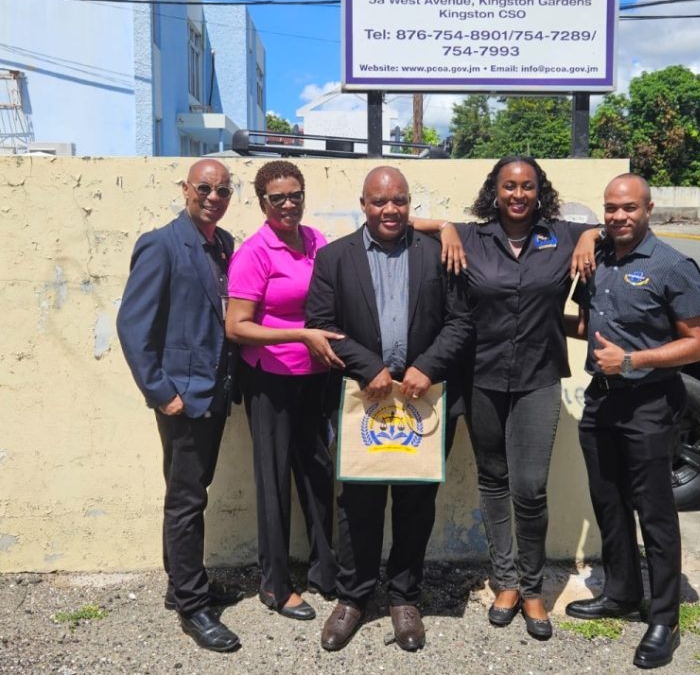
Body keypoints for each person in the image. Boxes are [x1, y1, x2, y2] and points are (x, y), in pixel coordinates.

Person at [411, 154, 600, 640]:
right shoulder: (472, 237)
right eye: (509, 186)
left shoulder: (560, 236)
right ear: (494, 191)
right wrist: (447, 229)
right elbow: (404, 219)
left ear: (541, 191)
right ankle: (507, 581)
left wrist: (589, 236)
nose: (518, 195)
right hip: (480, 377)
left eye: (527, 186)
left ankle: (534, 588)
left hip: (538, 378)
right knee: (493, 480)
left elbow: (609, 224)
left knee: (531, 488)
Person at [305, 166, 473, 652]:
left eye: (398, 201)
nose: (389, 210)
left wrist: (427, 365)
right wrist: (367, 366)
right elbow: (321, 324)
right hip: (365, 401)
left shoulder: (438, 255)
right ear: (363, 204)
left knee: (416, 503)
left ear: (409, 204)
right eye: (379, 202)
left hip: (424, 397)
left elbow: (461, 323)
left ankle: (404, 597)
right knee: (358, 502)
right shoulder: (335, 258)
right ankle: (353, 597)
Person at [566, 174, 700, 670]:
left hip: (649, 403)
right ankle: (622, 592)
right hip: (601, 401)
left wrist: (631, 361)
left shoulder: (672, 265)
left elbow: (699, 343)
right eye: (610, 208)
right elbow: (587, 327)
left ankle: (664, 618)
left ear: (648, 208)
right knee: (608, 502)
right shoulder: (600, 257)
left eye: (628, 208)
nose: (618, 216)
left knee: (654, 512)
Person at [116, 159, 242, 653]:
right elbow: (133, 326)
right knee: (187, 500)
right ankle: (193, 606)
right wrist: (160, 392)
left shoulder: (224, 244)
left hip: (215, 392)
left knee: (193, 492)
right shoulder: (161, 244)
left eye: (223, 190)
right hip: (182, 398)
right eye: (205, 187)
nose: (214, 196)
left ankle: (180, 585)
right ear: (186, 189)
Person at [225, 161, 343, 621]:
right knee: (273, 481)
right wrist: (300, 336)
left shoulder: (315, 241)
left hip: (315, 378)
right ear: (263, 203)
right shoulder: (255, 252)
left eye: (296, 194)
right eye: (279, 198)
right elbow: (236, 326)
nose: (289, 204)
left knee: (317, 475)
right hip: (270, 381)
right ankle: (274, 585)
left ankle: (325, 570)